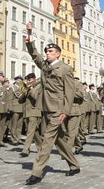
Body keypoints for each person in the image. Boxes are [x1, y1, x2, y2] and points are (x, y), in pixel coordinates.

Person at [24, 22, 80, 185]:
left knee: (46, 140)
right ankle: (74, 165)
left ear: (58, 54)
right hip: (46, 108)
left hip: (58, 110)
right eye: (46, 51)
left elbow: (69, 92)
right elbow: (34, 54)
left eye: (50, 51)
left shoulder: (65, 69)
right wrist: (29, 34)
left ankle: (37, 172)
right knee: (59, 140)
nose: (47, 54)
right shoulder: (45, 66)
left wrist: (66, 111)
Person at [19, 73, 42, 157]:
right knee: (34, 132)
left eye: (30, 80)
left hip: (35, 112)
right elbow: (20, 101)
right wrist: (24, 92)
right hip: (27, 113)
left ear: (34, 79)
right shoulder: (26, 87)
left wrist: (31, 89)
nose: (28, 81)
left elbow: (37, 98)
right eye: (27, 80)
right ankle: (41, 148)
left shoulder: (39, 86)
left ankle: (25, 150)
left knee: (30, 131)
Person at [8, 76, 24, 145]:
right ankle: (13, 138)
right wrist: (10, 107)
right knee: (14, 124)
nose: (20, 81)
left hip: (22, 107)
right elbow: (10, 98)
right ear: (16, 80)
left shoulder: (23, 87)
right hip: (15, 107)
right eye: (19, 79)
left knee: (20, 124)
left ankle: (18, 137)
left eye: (21, 80)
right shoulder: (13, 88)